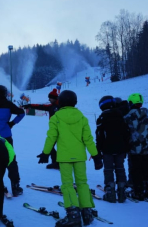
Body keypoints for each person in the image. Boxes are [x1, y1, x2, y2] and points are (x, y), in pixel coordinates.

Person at [37, 90, 100, 227]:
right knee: (82, 183)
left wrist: (45, 153)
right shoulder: (82, 117)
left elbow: (51, 137)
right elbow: (88, 139)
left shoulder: (56, 117)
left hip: (65, 157)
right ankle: (86, 212)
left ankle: (73, 215)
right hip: (79, 157)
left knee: (67, 185)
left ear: (61, 102)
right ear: (75, 102)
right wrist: (95, 155)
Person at [95, 95, 130, 203]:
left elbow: (99, 136)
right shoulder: (121, 116)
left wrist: (98, 151)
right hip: (120, 149)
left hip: (107, 150)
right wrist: (126, 148)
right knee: (120, 168)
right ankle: (122, 191)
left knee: (108, 169)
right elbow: (126, 134)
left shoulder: (102, 118)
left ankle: (110, 192)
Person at [124, 93, 148, 201]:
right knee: (146, 168)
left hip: (134, 149)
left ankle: (138, 192)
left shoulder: (127, 117)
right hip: (147, 149)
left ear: (131, 103)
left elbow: (125, 133)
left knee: (135, 169)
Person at [23, 88, 60, 169]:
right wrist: (29, 106)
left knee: (58, 147)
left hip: (60, 131)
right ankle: (55, 162)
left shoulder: (60, 106)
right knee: (51, 146)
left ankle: (59, 163)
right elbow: (40, 106)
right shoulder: (51, 106)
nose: (49, 99)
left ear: (54, 98)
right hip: (53, 130)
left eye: (50, 98)